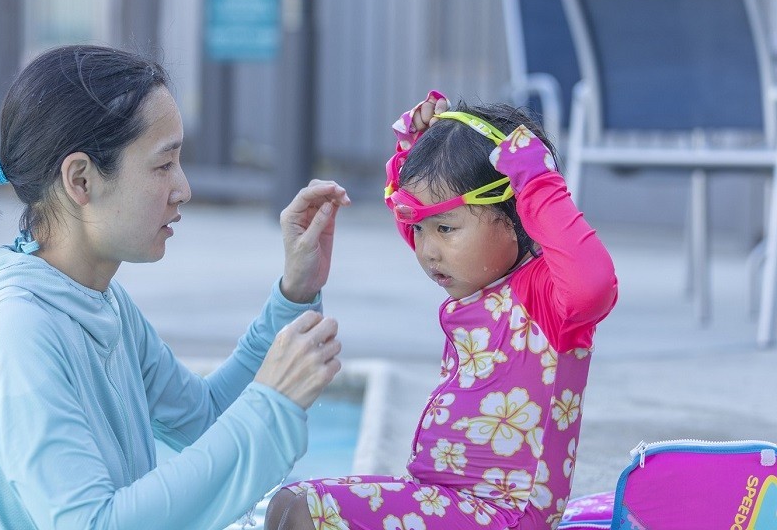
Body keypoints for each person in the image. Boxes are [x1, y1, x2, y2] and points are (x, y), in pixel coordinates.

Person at [0, 44, 351, 530]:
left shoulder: (100, 302)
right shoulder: (15, 334)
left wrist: (294, 292)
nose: (183, 188)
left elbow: (206, 418)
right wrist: (269, 404)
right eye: (163, 165)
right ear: (81, 179)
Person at [265, 90, 618, 529]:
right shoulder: (475, 281)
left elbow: (594, 285)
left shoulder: (544, 298)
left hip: (503, 516)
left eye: (445, 228)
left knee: (305, 511)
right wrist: (411, 152)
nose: (426, 249)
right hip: (448, 503)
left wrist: (538, 183)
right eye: (419, 229)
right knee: (285, 502)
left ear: (515, 215)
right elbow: (424, 221)